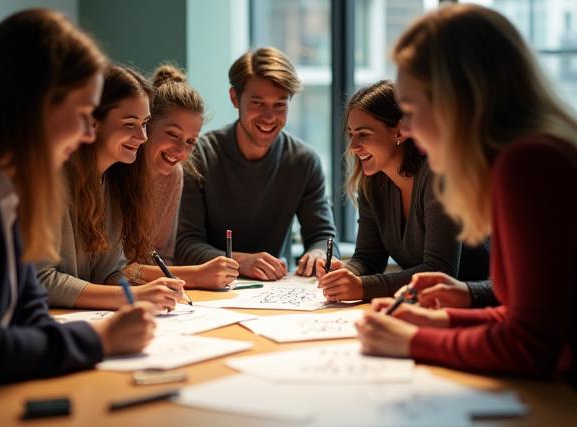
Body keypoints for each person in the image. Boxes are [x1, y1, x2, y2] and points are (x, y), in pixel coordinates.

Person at [0, 10, 156, 423]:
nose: (89, 134)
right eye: (82, 115)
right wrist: (99, 339)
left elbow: (30, 312)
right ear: (36, 104)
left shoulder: (6, 186)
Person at [357, 3, 577, 380]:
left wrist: (411, 341)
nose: (405, 130)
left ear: (456, 100)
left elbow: (529, 346)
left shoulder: (529, 164)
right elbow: (530, 318)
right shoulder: (529, 156)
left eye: (410, 109)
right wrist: (443, 320)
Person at [315, 81, 489, 303]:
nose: (352, 146)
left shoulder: (439, 177)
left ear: (400, 130)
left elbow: (440, 270)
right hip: (432, 306)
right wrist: (347, 272)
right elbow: (369, 258)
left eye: (363, 134)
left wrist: (362, 287)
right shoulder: (371, 183)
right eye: (351, 134)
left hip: (481, 304)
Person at [176, 46, 338, 281]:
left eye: (280, 104)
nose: (270, 117)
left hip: (278, 292)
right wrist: (241, 262)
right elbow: (185, 246)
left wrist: (318, 253)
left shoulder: (304, 161)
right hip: (210, 293)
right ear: (234, 98)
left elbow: (323, 235)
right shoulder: (200, 155)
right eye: (258, 103)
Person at [36, 64, 185, 310]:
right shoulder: (51, 179)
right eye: (130, 124)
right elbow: (41, 280)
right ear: (93, 122)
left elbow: (108, 272)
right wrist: (131, 297)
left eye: (145, 123)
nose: (143, 136)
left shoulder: (114, 180)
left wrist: (146, 290)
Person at [123, 64, 239, 289]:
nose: (180, 151)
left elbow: (164, 258)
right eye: (173, 135)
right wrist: (195, 275)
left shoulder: (173, 175)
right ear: (148, 125)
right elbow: (109, 267)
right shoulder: (119, 169)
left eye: (190, 142)